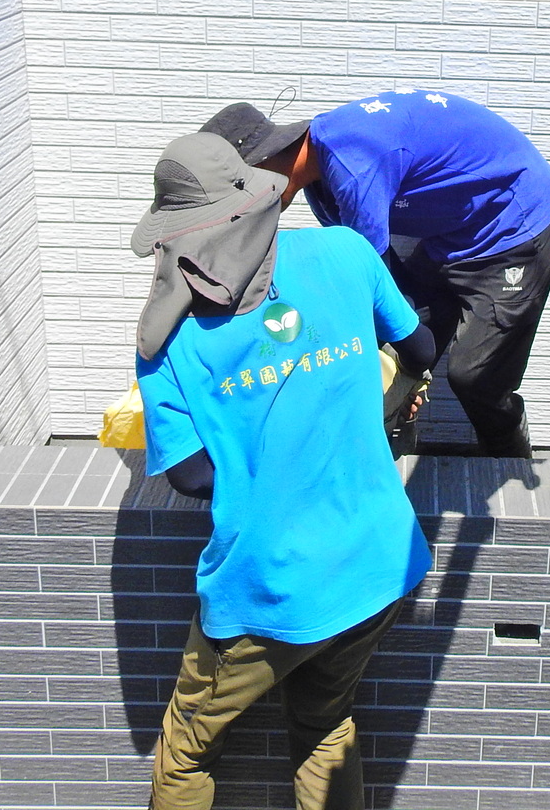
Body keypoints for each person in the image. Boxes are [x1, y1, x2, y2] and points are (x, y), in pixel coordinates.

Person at [130, 132, 436, 810]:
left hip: (270, 586)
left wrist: (260, 466)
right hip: (378, 561)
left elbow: (190, 477)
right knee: (325, 726)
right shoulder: (346, 252)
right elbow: (419, 345)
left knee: (184, 754)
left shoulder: (167, 342)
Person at [201, 89, 550, 458]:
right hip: (453, 233)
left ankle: (509, 458)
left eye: (241, 189)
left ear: (263, 163)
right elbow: (370, 280)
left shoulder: (354, 167)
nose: (247, 204)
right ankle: (388, 440)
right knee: (408, 337)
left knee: (476, 379)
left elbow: (370, 287)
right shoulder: (320, 178)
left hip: (515, 224)